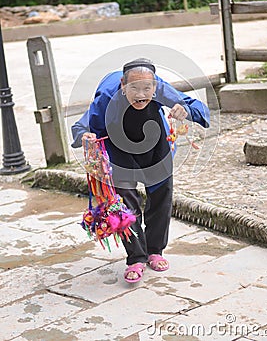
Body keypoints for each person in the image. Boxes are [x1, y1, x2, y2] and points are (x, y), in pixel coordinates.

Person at [71, 58, 210, 283]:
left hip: (155, 143)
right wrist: (85, 136)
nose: (141, 94)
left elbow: (197, 108)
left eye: (147, 88)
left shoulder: (159, 88)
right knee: (125, 200)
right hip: (118, 146)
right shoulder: (107, 96)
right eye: (133, 88)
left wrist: (184, 110)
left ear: (155, 88)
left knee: (161, 193)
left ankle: (155, 251)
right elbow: (82, 127)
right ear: (122, 85)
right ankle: (136, 257)